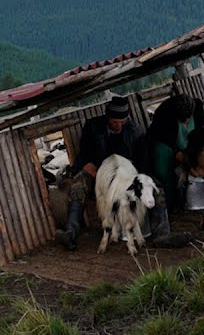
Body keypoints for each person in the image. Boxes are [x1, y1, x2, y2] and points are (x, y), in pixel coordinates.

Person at [56, 97, 144, 251]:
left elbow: (139, 161)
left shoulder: (133, 131)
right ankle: (71, 233)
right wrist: (92, 169)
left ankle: (157, 232)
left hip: (124, 174)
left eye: (122, 122)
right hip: (97, 172)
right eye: (114, 121)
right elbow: (84, 155)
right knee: (78, 187)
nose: (118, 125)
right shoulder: (93, 127)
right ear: (107, 117)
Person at [147, 93, 204, 213]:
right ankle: (170, 205)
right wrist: (188, 164)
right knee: (164, 173)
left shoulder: (199, 113)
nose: (186, 121)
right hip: (165, 145)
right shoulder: (164, 116)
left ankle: (190, 199)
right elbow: (175, 149)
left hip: (190, 143)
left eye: (188, 118)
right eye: (183, 119)